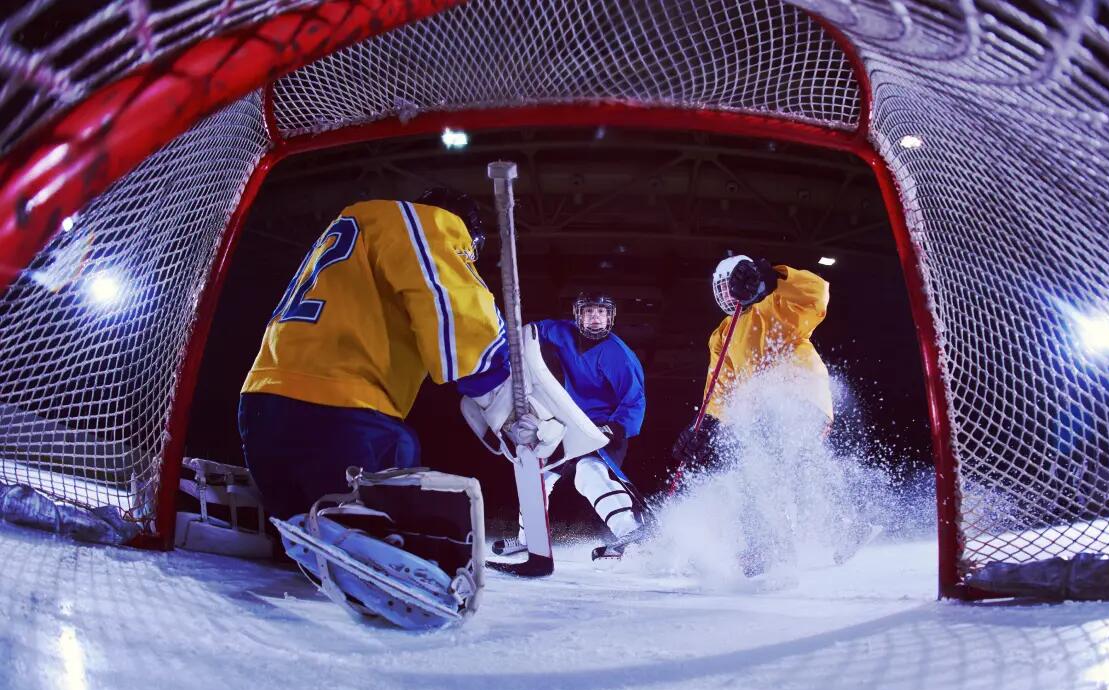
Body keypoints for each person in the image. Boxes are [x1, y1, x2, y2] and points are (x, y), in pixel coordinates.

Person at [238, 187, 516, 527]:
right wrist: (501, 391)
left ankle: (298, 532)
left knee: (309, 526)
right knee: (390, 487)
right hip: (337, 414)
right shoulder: (428, 224)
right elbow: (459, 314)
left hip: (261, 407)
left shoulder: (356, 225)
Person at [492, 290, 647, 557]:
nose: (595, 318)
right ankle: (528, 538)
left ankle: (629, 534)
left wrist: (614, 429)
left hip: (603, 427)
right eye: (589, 312)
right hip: (568, 421)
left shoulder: (619, 354)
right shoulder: (561, 332)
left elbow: (634, 400)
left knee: (589, 472)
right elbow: (531, 332)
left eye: (601, 312)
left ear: (611, 317)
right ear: (578, 316)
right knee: (536, 472)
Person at [672, 255, 833, 468]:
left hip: (800, 395)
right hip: (761, 414)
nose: (729, 295)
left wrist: (771, 278)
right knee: (759, 466)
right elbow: (720, 389)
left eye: (732, 286)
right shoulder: (723, 335)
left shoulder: (775, 302)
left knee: (785, 457)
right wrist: (703, 427)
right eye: (722, 289)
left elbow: (816, 294)